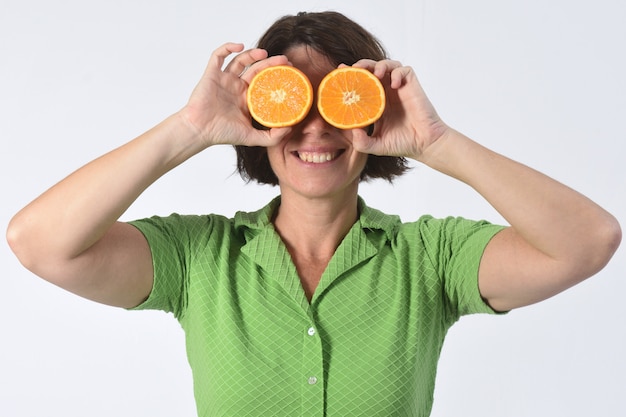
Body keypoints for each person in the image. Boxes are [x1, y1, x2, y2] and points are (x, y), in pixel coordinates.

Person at [6, 10, 621, 417]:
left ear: (372, 115)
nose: (315, 128)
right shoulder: (199, 259)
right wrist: (190, 128)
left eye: (339, 100)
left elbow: (590, 241)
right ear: (257, 119)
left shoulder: (430, 261)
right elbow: (38, 242)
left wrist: (437, 142)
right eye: (289, 103)